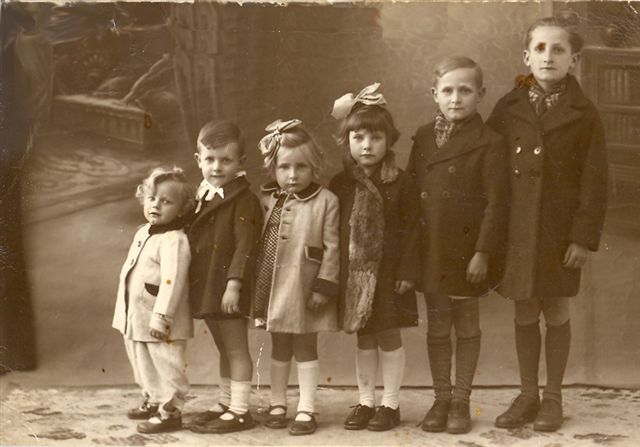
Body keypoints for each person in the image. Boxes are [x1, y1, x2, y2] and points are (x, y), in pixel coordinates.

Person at [487, 16, 608, 432]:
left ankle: (553, 396)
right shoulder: (507, 108)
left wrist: (582, 237)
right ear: (526, 57)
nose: (548, 56)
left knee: (555, 308)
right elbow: (490, 166)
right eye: (540, 48)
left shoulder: (584, 114)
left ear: (574, 59)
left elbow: (595, 180)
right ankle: (528, 394)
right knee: (525, 308)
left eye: (559, 49)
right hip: (518, 231)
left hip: (559, 232)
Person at [408, 58, 509, 434]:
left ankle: (462, 399)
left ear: (480, 95)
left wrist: (483, 252)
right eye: (448, 90)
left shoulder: (490, 142)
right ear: (434, 94)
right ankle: (441, 398)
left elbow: (497, 203)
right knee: (437, 327)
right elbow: (411, 195)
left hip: (468, 252)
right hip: (432, 248)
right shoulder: (423, 137)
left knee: (466, 325)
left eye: (465, 90)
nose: (456, 98)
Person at [329, 83, 420, 432]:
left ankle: (390, 403)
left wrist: (408, 270)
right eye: (358, 138)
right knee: (364, 337)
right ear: (347, 141)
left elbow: (413, 230)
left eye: (376, 138)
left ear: (389, 141)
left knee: (389, 335)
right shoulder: (341, 184)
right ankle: (366, 401)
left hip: (390, 273)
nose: (367, 145)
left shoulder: (400, 182)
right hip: (354, 274)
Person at [254, 119, 340, 436]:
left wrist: (323, 287)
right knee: (279, 344)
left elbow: (332, 248)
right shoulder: (266, 199)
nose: (292, 175)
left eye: (301, 166)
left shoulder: (326, 201)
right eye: (284, 167)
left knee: (305, 345)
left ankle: (306, 408)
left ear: (314, 166)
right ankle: (278, 403)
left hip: (304, 286)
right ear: (273, 168)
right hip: (272, 285)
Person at [187, 121, 262, 433]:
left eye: (226, 160)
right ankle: (226, 402)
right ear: (198, 160)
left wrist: (234, 284)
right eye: (210, 159)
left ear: (240, 162)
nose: (217, 167)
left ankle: (240, 411)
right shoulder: (203, 194)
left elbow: (245, 246)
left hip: (229, 285)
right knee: (224, 348)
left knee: (236, 348)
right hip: (209, 284)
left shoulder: (244, 200)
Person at [112, 166, 195, 434]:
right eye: (151, 198)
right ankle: (153, 398)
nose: (156, 205)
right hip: (137, 316)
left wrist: (162, 317)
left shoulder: (175, 240)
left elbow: (173, 280)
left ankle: (170, 410)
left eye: (166, 201)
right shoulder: (144, 232)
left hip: (160, 319)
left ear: (182, 209)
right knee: (141, 360)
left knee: (166, 363)